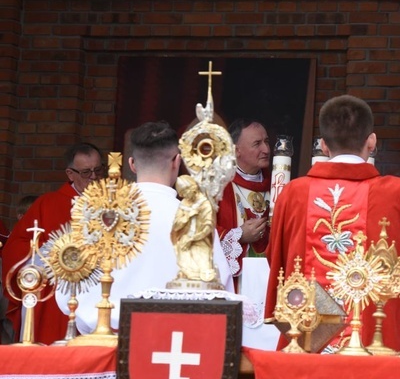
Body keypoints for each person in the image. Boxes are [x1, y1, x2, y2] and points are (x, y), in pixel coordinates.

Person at [265, 95, 400, 351]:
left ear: (323, 145)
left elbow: (277, 257)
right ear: (371, 142)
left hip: (306, 337)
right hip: (378, 342)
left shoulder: (294, 194)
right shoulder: (399, 194)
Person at [57, 121, 234, 333]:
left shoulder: (98, 216)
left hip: (102, 344)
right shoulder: (194, 218)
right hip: (174, 345)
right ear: (177, 162)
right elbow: (220, 291)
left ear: (132, 164)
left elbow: (67, 290)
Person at [1, 142, 103, 344]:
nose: (93, 177)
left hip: (97, 293)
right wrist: (46, 258)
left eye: (98, 170)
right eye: (85, 172)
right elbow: (15, 247)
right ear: (70, 174)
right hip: (53, 295)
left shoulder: (112, 205)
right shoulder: (47, 204)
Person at [217, 118, 271, 282]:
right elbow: (203, 232)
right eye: (257, 144)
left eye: (266, 142)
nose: (266, 149)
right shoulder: (219, 186)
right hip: (235, 280)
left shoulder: (278, 183)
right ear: (236, 150)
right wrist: (239, 235)